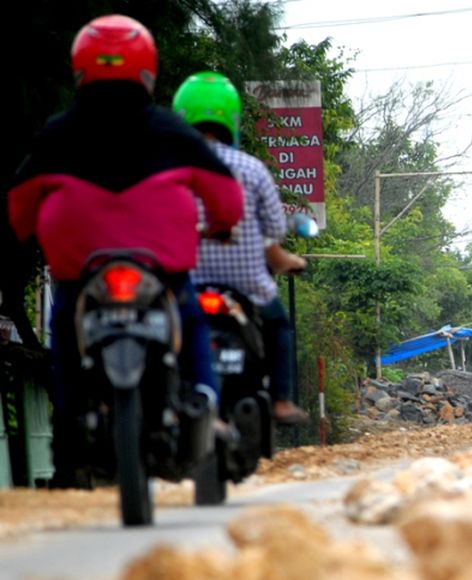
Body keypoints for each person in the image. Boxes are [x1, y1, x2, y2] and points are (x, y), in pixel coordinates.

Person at [7, 15, 244, 486]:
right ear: (148, 71)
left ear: (80, 71)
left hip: (81, 273)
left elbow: (18, 206)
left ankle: (71, 417)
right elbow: (226, 197)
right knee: (191, 317)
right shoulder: (171, 130)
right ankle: (205, 403)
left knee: (65, 329)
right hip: (163, 270)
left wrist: (27, 230)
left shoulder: (57, 133)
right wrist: (220, 224)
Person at [173, 71, 309, 425]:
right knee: (278, 326)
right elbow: (275, 232)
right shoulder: (251, 169)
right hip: (249, 285)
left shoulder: (172, 171)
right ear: (232, 119)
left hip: (186, 285)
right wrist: (291, 260)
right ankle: (280, 400)